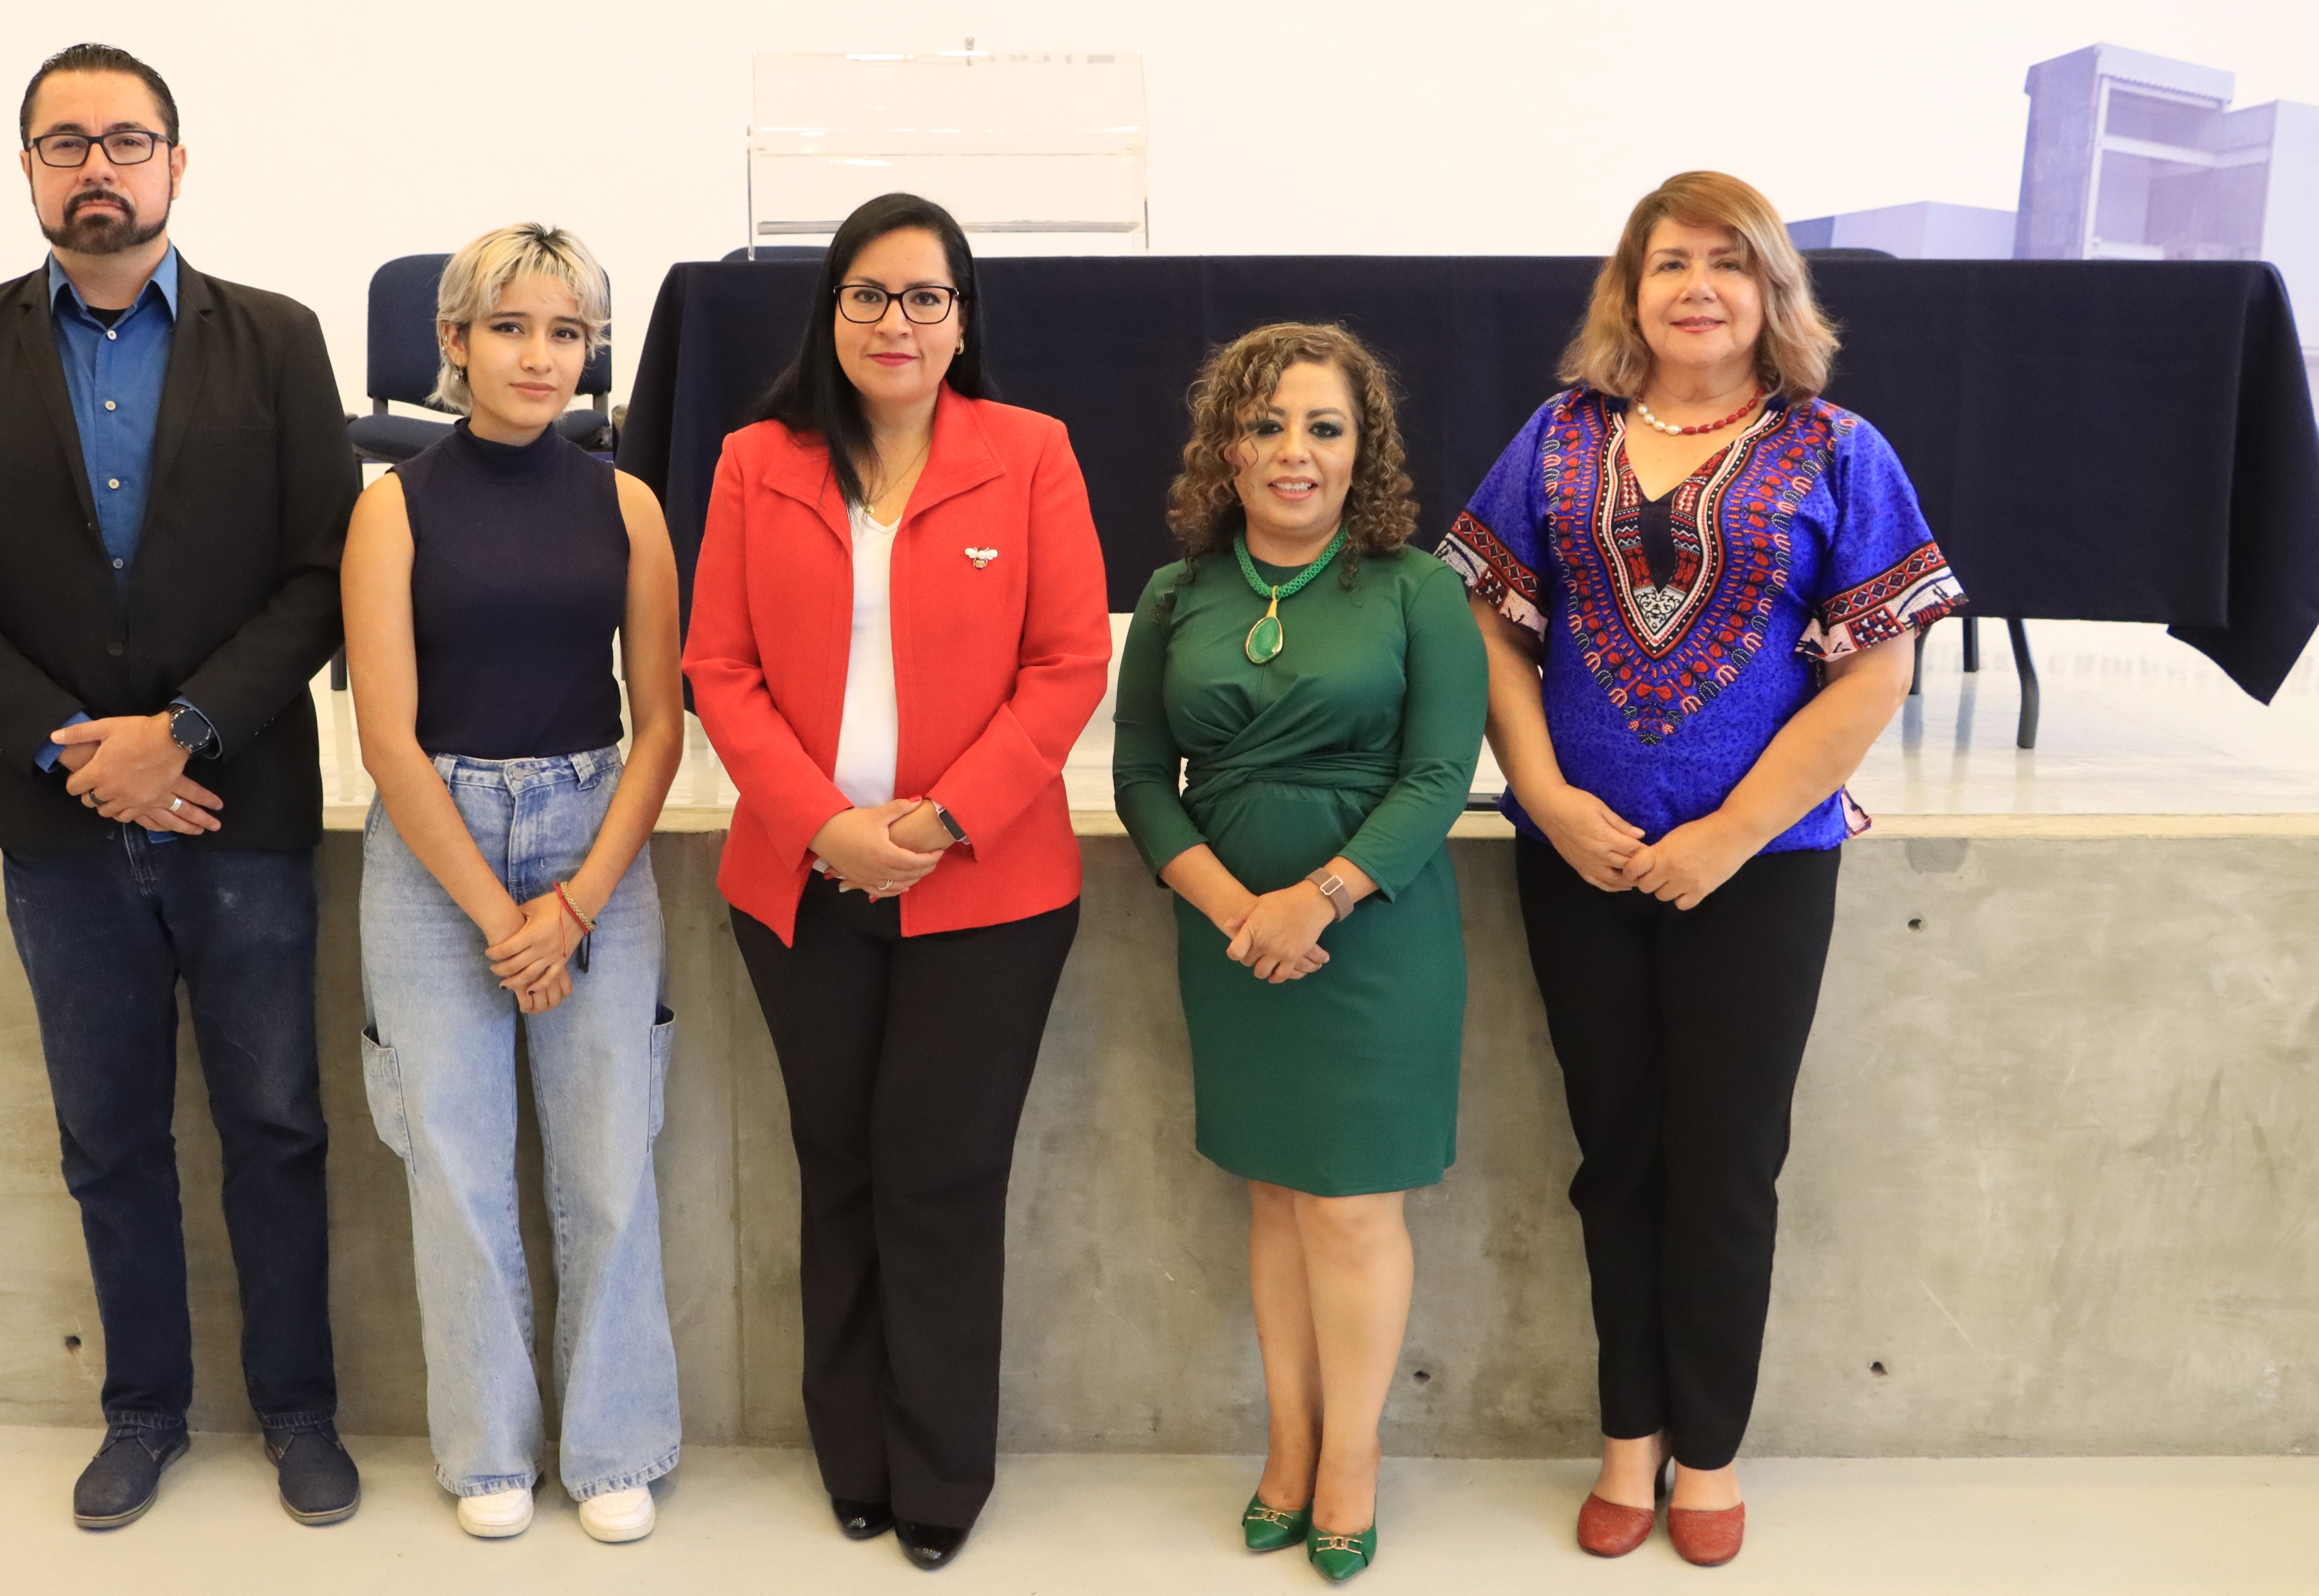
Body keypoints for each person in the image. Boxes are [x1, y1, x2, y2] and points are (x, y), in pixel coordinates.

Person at [1437, 170, 1968, 1567]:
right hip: (1582, 859)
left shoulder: (1840, 449)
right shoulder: (1559, 437)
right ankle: (1629, 1440)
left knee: (1728, 1168)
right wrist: (1547, 797)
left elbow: (1878, 672)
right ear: (1630, 290)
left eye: (1730, 263)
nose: (1698, 288)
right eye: (1670, 261)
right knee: (1616, 1157)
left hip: (1765, 868)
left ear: (1772, 290)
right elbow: (1488, 626)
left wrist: (1730, 835)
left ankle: (1712, 1454)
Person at [0, 44, 361, 1528]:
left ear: (177, 163)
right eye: (66, 142)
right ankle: (145, 1408)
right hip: (57, 817)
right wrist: (82, 747)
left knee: (276, 1126)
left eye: (128, 140)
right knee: (109, 1140)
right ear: (28, 168)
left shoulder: (275, 337)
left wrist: (185, 731)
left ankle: (297, 1410)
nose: (99, 166)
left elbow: (322, 574)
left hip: (238, 806)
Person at [682, 191, 1110, 1571]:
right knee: (839, 1164)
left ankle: (939, 1470)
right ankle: (851, 1456)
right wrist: (825, 826)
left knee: (941, 1171)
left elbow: (1068, 664)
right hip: (802, 882)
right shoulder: (757, 462)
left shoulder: (1030, 454)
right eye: (869, 294)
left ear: (962, 320)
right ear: (832, 313)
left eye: (927, 297)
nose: (898, 322)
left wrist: (941, 820)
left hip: (987, 889)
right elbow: (718, 668)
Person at [1113, 323, 1486, 1583]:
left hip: (1374, 937)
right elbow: (1139, 777)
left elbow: (1440, 775)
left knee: (1352, 1202)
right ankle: (1288, 1442)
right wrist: (1237, 908)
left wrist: (1317, 900)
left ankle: (1353, 1459)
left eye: (1325, 428)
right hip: (1230, 937)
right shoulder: (1176, 595)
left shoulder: (1419, 591)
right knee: (1274, 1191)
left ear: (1361, 450)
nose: (1294, 451)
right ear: (1225, 446)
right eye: (1266, 424)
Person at [343, 224, 684, 1546]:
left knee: (608, 1164)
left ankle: (615, 1442)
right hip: (439, 848)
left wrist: (577, 902)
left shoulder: (629, 505)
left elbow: (661, 725)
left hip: (595, 838)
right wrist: (503, 919)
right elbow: (385, 736)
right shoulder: (392, 507)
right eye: (510, 328)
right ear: (455, 342)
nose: (540, 356)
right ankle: (487, 1447)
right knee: (455, 1163)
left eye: (566, 333)